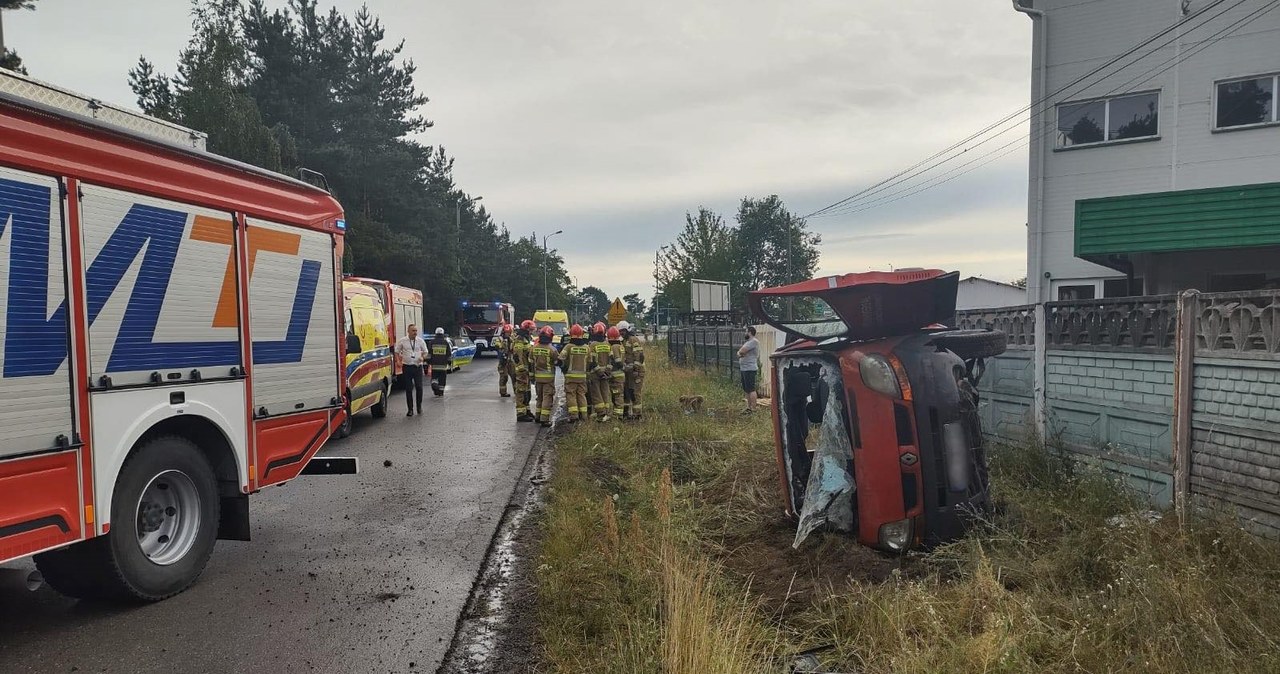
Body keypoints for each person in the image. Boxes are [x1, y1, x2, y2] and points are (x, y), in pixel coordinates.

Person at [395, 323, 429, 417]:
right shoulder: (403, 341)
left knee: (419, 387)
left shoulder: (420, 341)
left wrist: (422, 357)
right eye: (413, 331)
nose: (415, 332)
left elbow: (426, 352)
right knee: (409, 389)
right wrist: (398, 361)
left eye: (416, 331)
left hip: (417, 366)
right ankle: (410, 409)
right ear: (408, 331)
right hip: (407, 366)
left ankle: (419, 407)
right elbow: (397, 351)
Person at [559, 324, 591, 423]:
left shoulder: (568, 346)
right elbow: (590, 362)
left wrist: (564, 368)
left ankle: (574, 416)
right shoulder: (587, 347)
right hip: (582, 377)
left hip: (570, 376)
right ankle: (584, 416)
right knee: (581, 395)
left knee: (571, 395)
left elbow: (560, 359)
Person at [531, 326, 558, 426]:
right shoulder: (552, 350)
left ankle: (537, 416)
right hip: (548, 379)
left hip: (537, 377)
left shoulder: (534, 348)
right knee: (547, 398)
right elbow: (557, 362)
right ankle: (544, 419)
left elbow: (530, 362)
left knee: (540, 397)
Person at [620, 321, 646, 419]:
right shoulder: (624, 341)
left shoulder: (633, 340)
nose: (621, 333)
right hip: (628, 372)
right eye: (620, 331)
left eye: (623, 331)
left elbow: (639, 356)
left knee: (635, 393)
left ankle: (637, 414)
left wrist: (636, 370)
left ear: (627, 330)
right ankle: (627, 413)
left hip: (636, 372)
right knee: (628, 392)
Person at [512, 320, 536, 422]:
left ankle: (527, 410)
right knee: (521, 392)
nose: (532, 332)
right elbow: (518, 356)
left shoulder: (528, 338)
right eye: (530, 330)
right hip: (522, 372)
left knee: (527, 392)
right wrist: (521, 370)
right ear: (526, 329)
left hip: (527, 371)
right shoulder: (519, 340)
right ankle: (521, 414)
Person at [588, 322, 612, 421]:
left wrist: (599, 372)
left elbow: (592, 361)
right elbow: (611, 360)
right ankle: (607, 412)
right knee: (605, 392)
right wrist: (607, 372)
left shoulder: (593, 345)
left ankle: (600, 413)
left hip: (596, 374)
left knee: (596, 394)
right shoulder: (607, 344)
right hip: (606, 374)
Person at [737, 326, 760, 414]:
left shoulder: (753, 341)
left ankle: (753, 409)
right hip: (744, 368)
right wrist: (740, 353)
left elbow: (741, 351)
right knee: (746, 389)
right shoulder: (748, 342)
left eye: (746, 331)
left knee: (751, 388)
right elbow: (740, 352)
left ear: (750, 332)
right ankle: (748, 407)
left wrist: (740, 353)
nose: (745, 333)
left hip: (750, 368)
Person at [428, 327, 454, 397]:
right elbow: (449, 354)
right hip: (443, 366)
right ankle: (441, 392)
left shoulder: (432, 342)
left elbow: (429, 354)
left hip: (434, 366)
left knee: (434, 378)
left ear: (435, 334)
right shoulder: (445, 342)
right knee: (442, 380)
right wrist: (449, 363)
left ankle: (435, 387)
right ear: (443, 334)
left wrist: (428, 362)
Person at [607, 325, 626, 419]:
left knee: (617, 394)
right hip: (621, 375)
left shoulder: (614, 347)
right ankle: (617, 413)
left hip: (616, 375)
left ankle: (618, 415)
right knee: (618, 394)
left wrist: (610, 361)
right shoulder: (621, 346)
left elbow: (618, 361)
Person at [495, 323, 513, 398]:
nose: (507, 334)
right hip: (503, 361)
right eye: (506, 332)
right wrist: (502, 345)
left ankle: (517, 391)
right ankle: (503, 392)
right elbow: (497, 344)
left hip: (510, 361)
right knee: (504, 376)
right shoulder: (500, 339)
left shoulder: (512, 339)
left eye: (509, 332)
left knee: (514, 375)